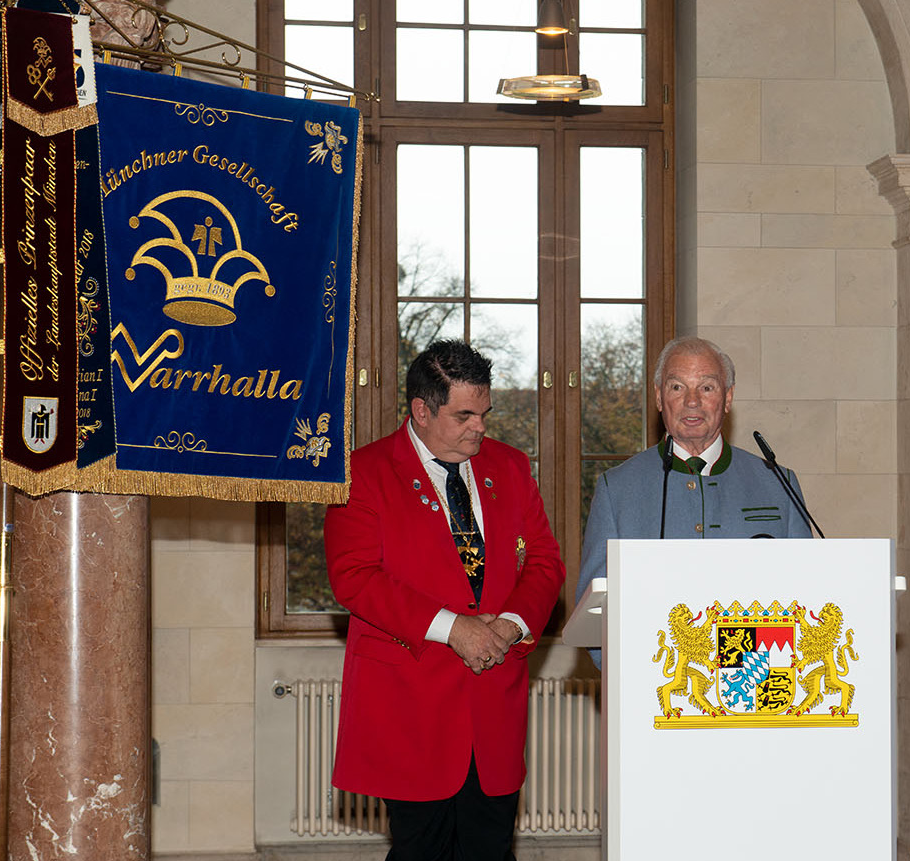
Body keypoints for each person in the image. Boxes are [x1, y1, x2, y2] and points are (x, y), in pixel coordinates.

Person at [325, 339, 564, 861]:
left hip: (494, 705)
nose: (480, 427)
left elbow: (545, 562)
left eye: (484, 413)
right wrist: (456, 629)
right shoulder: (363, 473)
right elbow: (354, 577)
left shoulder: (511, 466)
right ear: (421, 410)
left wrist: (509, 626)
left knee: (491, 850)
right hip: (411, 709)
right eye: (464, 416)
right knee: (421, 850)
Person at [576, 336, 812, 666]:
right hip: (655, 680)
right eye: (677, 387)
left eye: (707, 388)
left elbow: (806, 597)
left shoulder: (777, 484)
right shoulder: (617, 489)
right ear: (659, 397)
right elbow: (595, 617)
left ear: (728, 398)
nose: (692, 401)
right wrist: (635, 677)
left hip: (759, 680)